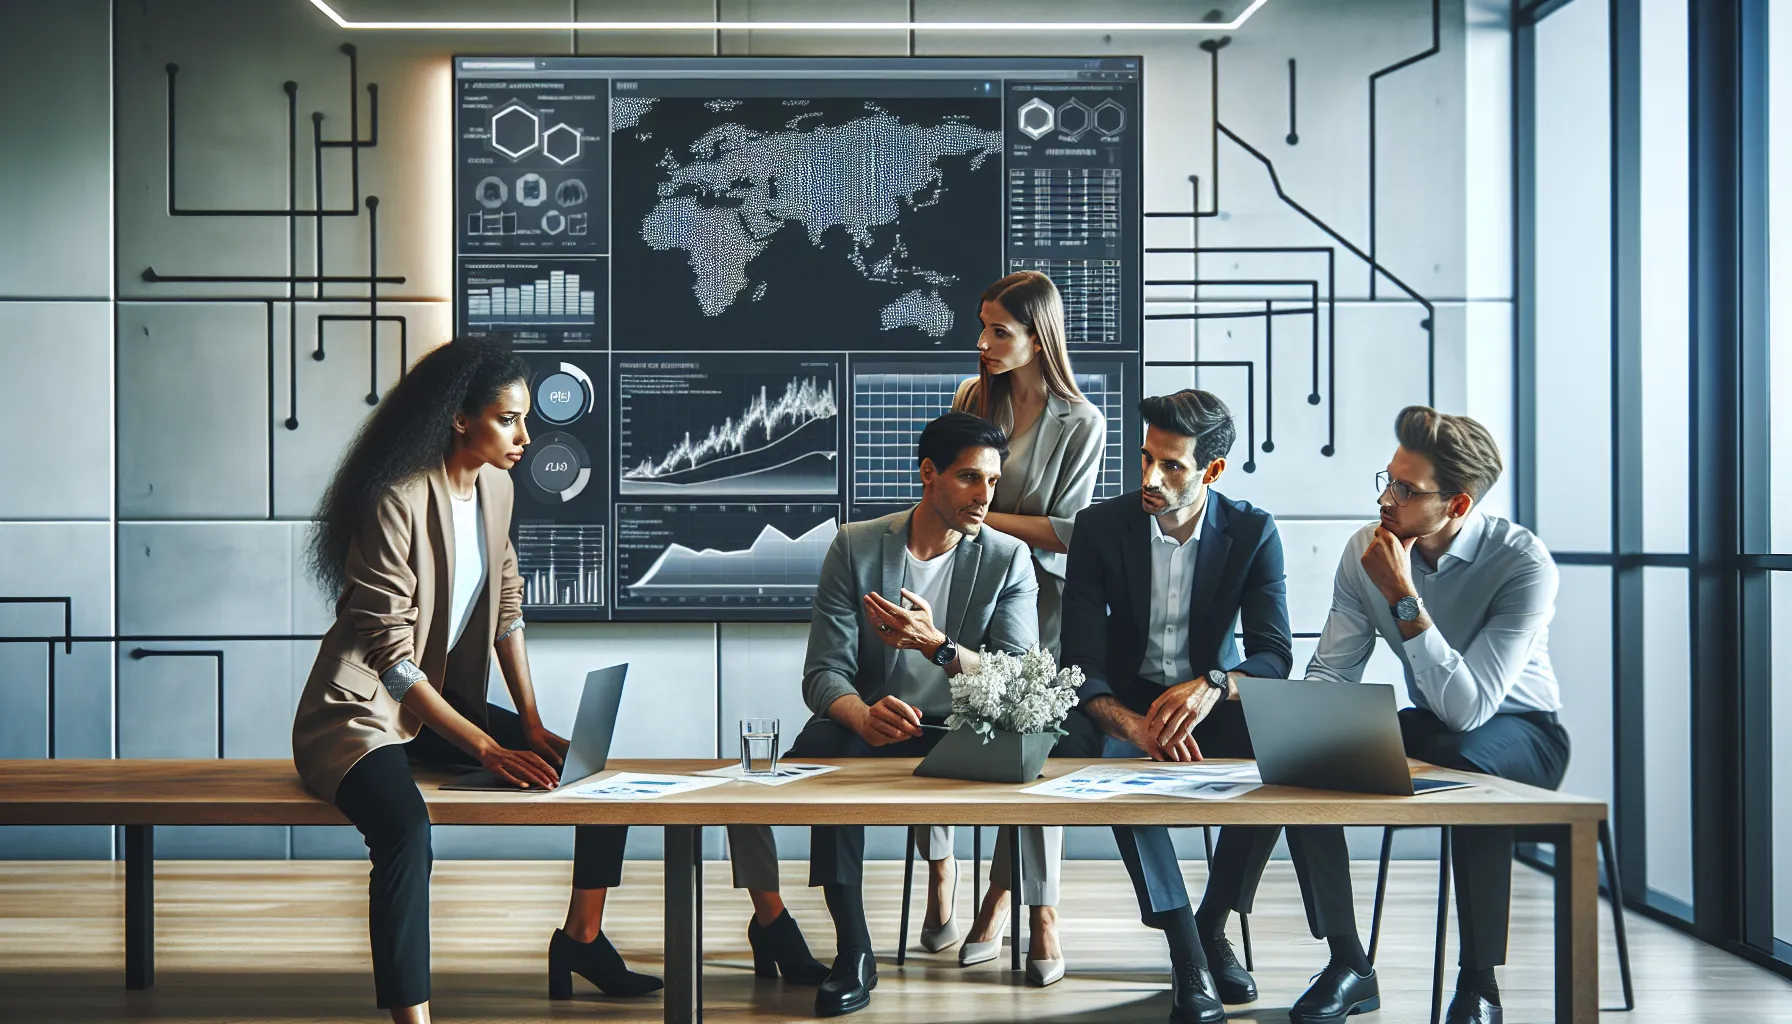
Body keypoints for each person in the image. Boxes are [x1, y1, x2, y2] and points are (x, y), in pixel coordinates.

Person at [291, 339, 660, 1024]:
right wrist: (489, 748)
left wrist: (532, 721)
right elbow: (393, 661)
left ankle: (581, 939)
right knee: (405, 832)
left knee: (588, 766)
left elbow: (507, 608)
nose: (524, 437)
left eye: (524, 421)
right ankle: (412, 1017)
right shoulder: (396, 501)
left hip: (434, 707)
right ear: (460, 419)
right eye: (507, 419)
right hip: (362, 713)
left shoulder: (496, 487)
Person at [734, 411, 1039, 1018]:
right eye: (968, 478)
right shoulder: (856, 544)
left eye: (993, 482)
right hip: (872, 727)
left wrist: (939, 646)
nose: (984, 496)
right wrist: (858, 713)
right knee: (818, 761)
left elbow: (1014, 682)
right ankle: (855, 950)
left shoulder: (1009, 558)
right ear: (928, 474)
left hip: (961, 733)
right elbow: (823, 672)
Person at [1284, 406, 1568, 1024]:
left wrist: (1404, 597)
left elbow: (1470, 710)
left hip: (1522, 732)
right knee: (1305, 760)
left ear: (1457, 505)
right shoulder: (1366, 547)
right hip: (1435, 723)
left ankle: (1480, 985)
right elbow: (1334, 669)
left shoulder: (1522, 562)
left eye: (1406, 490)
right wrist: (1308, 725)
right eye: (1386, 479)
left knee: (1470, 771)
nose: (1386, 499)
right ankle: (1348, 965)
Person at [1056, 389, 1292, 1024]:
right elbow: (1076, 660)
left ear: (1212, 471)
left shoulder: (1251, 530)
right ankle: (1187, 949)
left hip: (1209, 700)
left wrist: (1212, 683)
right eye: (1145, 459)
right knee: (1112, 774)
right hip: (1124, 702)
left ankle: (1215, 921)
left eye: (1173, 466)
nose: (1150, 479)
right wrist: (1132, 725)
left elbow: (1273, 655)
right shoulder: (1101, 527)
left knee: (1283, 756)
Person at [943, 271, 1104, 979]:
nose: (982, 343)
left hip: (1039, 609)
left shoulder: (1083, 422)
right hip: (966, 596)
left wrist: (976, 513)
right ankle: (960, 884)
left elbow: (1069, 532)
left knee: (1028, 754)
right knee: (955, 735)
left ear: (1039, 339)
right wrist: (983, 519)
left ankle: (1029, 909)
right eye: (982, 327)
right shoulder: (970, 400)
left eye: (998, 331)